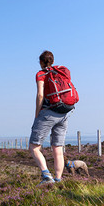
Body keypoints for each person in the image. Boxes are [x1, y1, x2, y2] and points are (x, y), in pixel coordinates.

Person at [29, 50, 74, 184]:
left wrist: (37, 114)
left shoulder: (41, 73)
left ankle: (46, 176)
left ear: (41, 62)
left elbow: (40, 95)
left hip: (48, 113)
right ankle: (58, 180)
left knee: (34, 147)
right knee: (58, 148)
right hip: (64, 113)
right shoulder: (62, 71)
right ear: (53, 61)